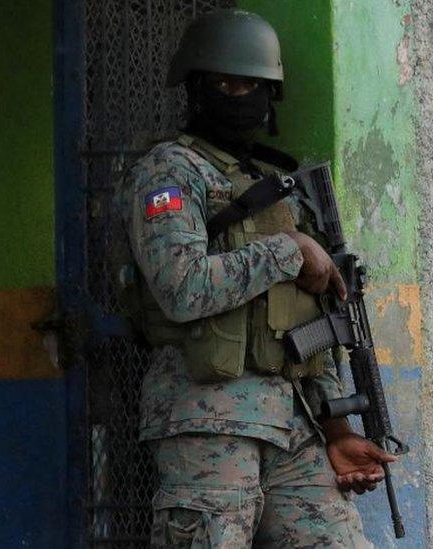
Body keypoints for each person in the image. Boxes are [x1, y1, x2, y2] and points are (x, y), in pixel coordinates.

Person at [120, 9, 397, 547]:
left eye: (252, 84)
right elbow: (181, 287)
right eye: (225, 83)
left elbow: (315, 320)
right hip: (208, 424)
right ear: (196, 88)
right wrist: (288, 250)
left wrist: (338, 429)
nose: (239, 94)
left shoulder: (274, 183)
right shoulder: (170, 170)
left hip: (295, 427)